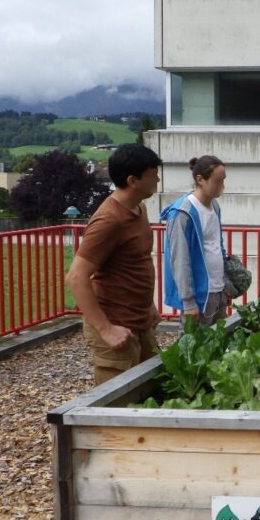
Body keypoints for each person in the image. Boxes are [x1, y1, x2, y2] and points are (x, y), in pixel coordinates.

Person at [65, 144, 162, 384]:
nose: (158, 179)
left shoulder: (139, 208)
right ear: (133, 180)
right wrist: (106, 330)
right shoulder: (109, 220)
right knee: (118, 406)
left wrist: (148, 306)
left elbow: (136, 263)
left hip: (140, 322)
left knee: (151, 392)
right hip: (117, 325)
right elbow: (76, 277)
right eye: (152, 175)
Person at [161, 155, 229, 326]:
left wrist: (225, 286)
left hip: (218, 290)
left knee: (220, 345)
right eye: (218, 181)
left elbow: (218, 246)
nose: (222, 186)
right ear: (200, 180)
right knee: (196, 349)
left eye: (223, 180)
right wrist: (189, 302)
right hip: (199, 297)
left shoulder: (214, 206)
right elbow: (179, 260)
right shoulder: (182, 214)